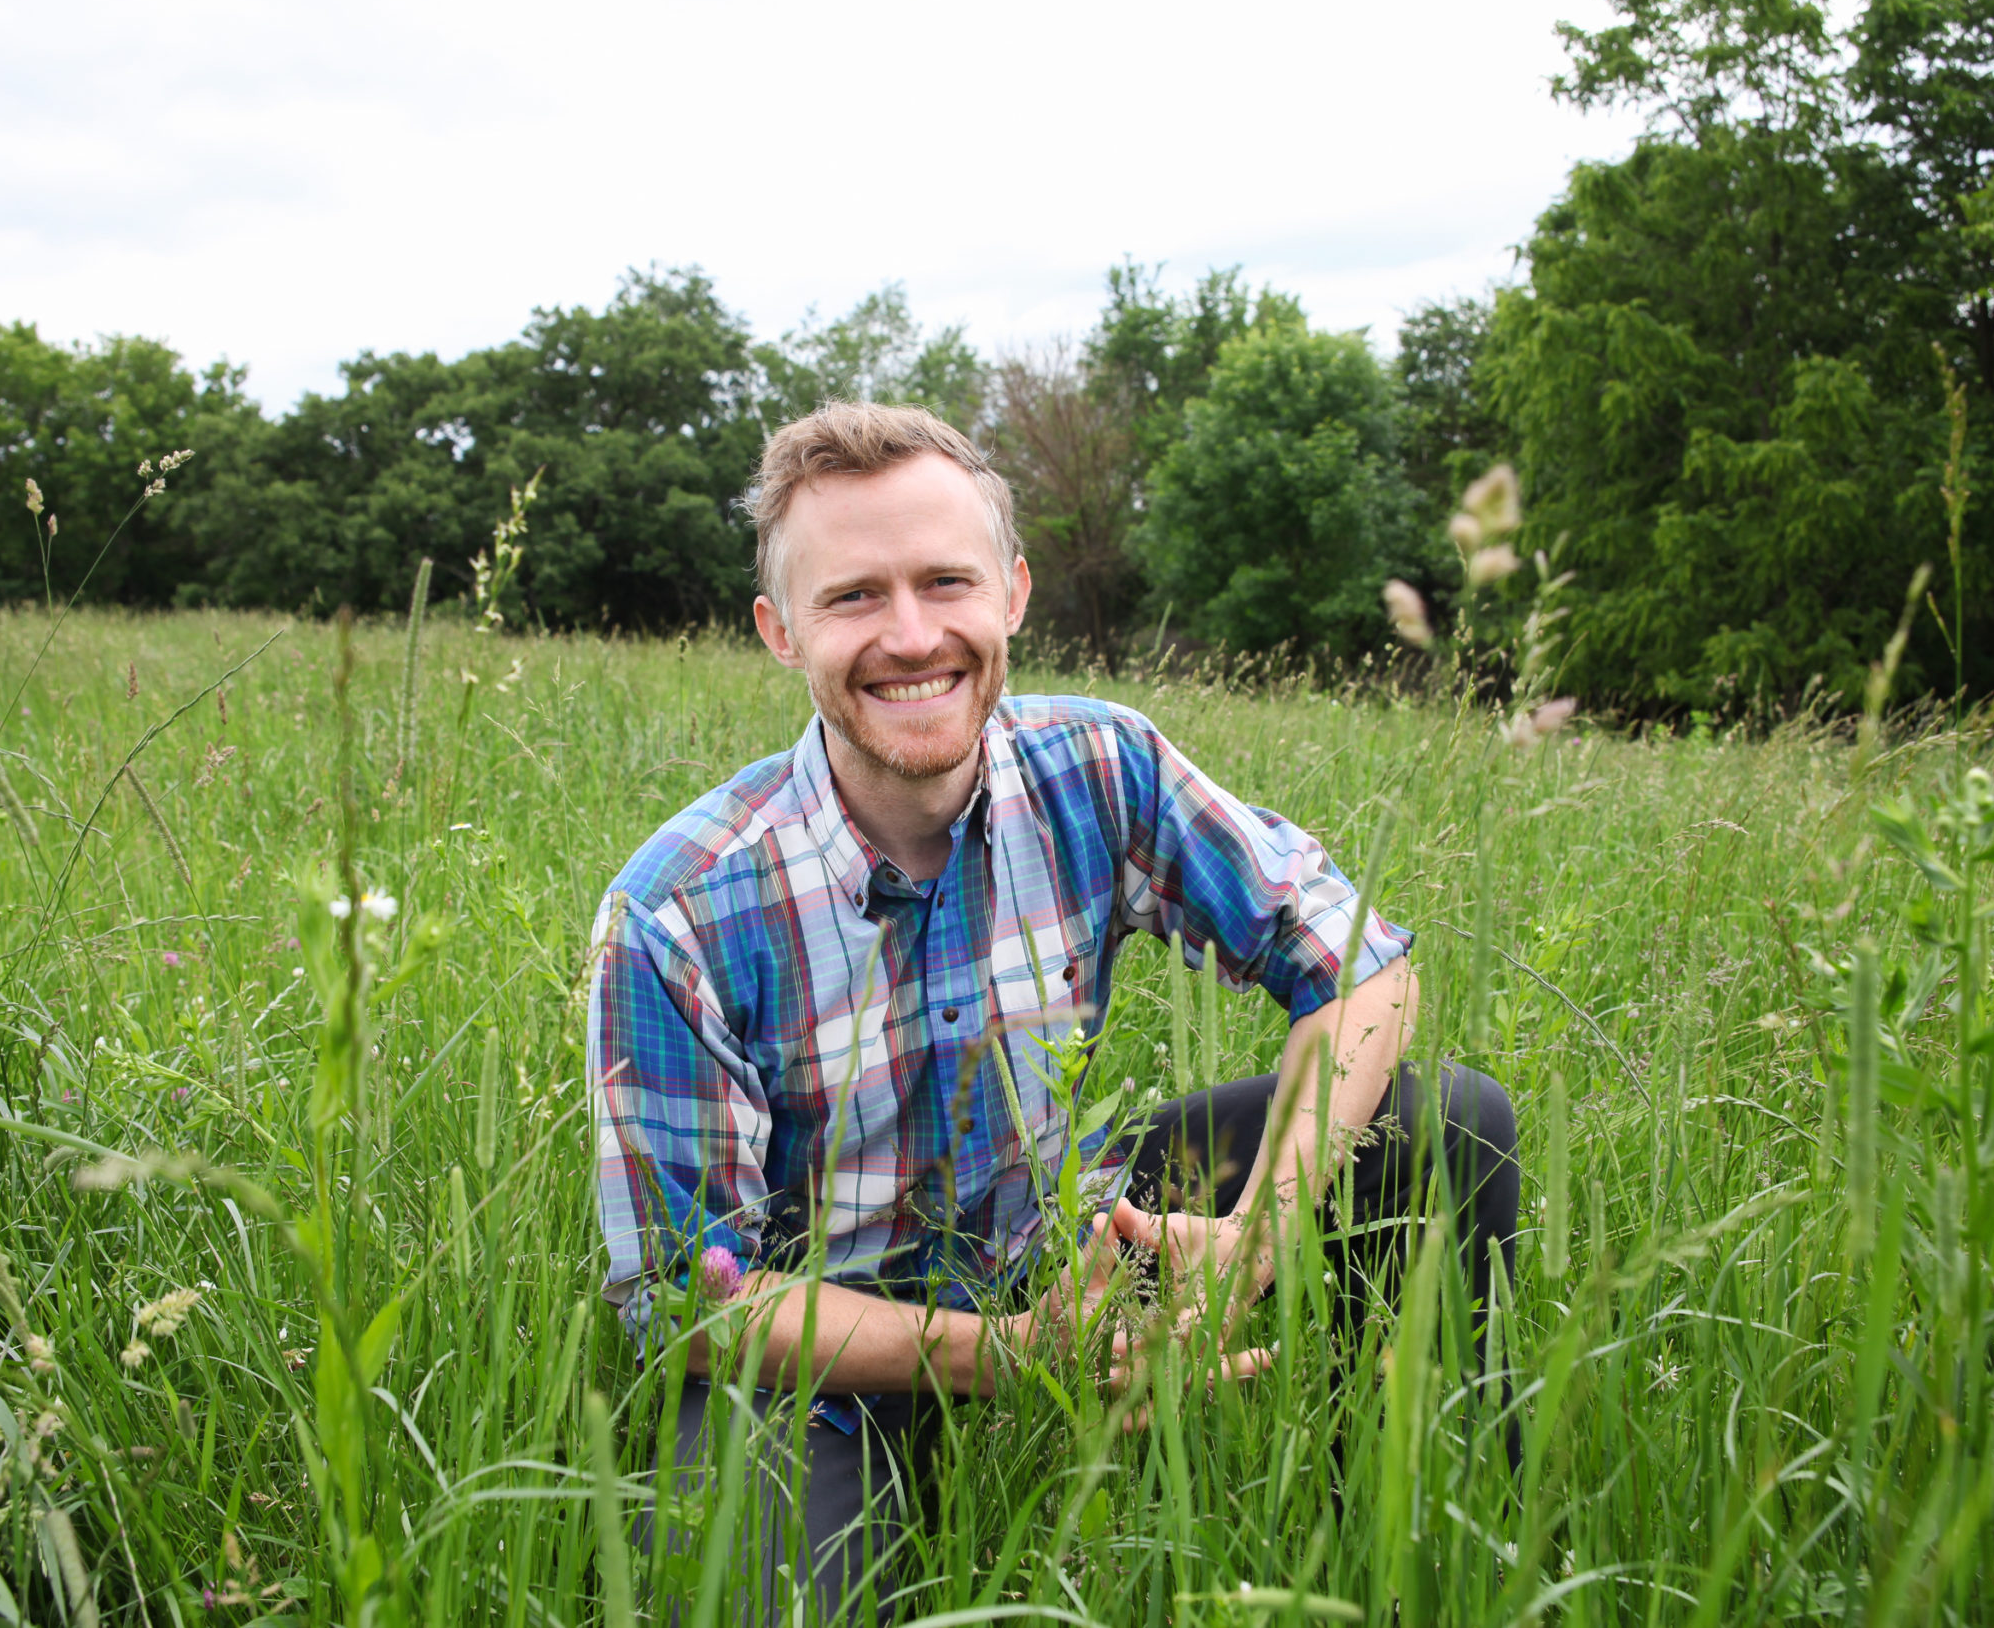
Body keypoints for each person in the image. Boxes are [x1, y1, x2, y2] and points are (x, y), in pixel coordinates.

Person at [587, 402, 1518, 1621]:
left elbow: (1360, 966)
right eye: (854, 596)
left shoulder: (1100, 765)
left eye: (946, 581)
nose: (911, 635)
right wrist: (1015, 1357)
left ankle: (1390, 1551)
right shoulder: (679, 912)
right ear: (778, 631)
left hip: (1072, 1241)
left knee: (1448, 1120)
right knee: (764, 1602)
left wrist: (1264, 1227)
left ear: (1013, 594)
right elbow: (687, 1304)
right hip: (823, 1354)